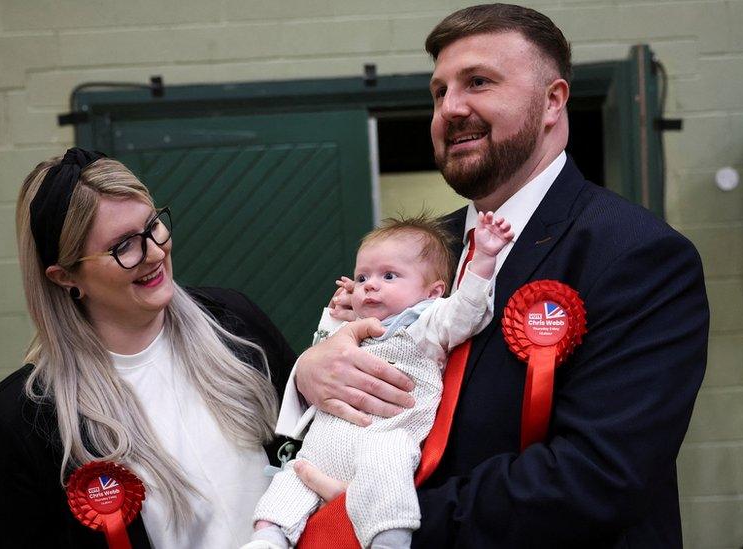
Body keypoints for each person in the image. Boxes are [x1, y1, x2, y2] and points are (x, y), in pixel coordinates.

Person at [285, 4, 710, 547]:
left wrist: (387, 522)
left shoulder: (636, 253)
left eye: (478, 82)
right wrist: (310, 374)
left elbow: (599, 475)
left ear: (553, 101)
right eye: (439, 92)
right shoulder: (421, 251)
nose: (451, 108)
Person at [0, 148, 296, 548]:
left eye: (153, 226)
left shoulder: (236, 322)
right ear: (65, 277)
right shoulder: (25, 418)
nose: (154, 252)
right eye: (123, 246)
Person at [248, 213, 514, 549]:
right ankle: (268, 538)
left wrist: (484, 260)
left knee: (388, 463)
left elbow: (467, 312)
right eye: (362, 278)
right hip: (322, 449)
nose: (370, 285)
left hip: (382, 438)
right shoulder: (349, 325)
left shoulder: (426, 323)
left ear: (433, 292)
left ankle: (389, 539)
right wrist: (333, 316)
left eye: (389, 275)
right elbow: (320, 361)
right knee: (289, 481)